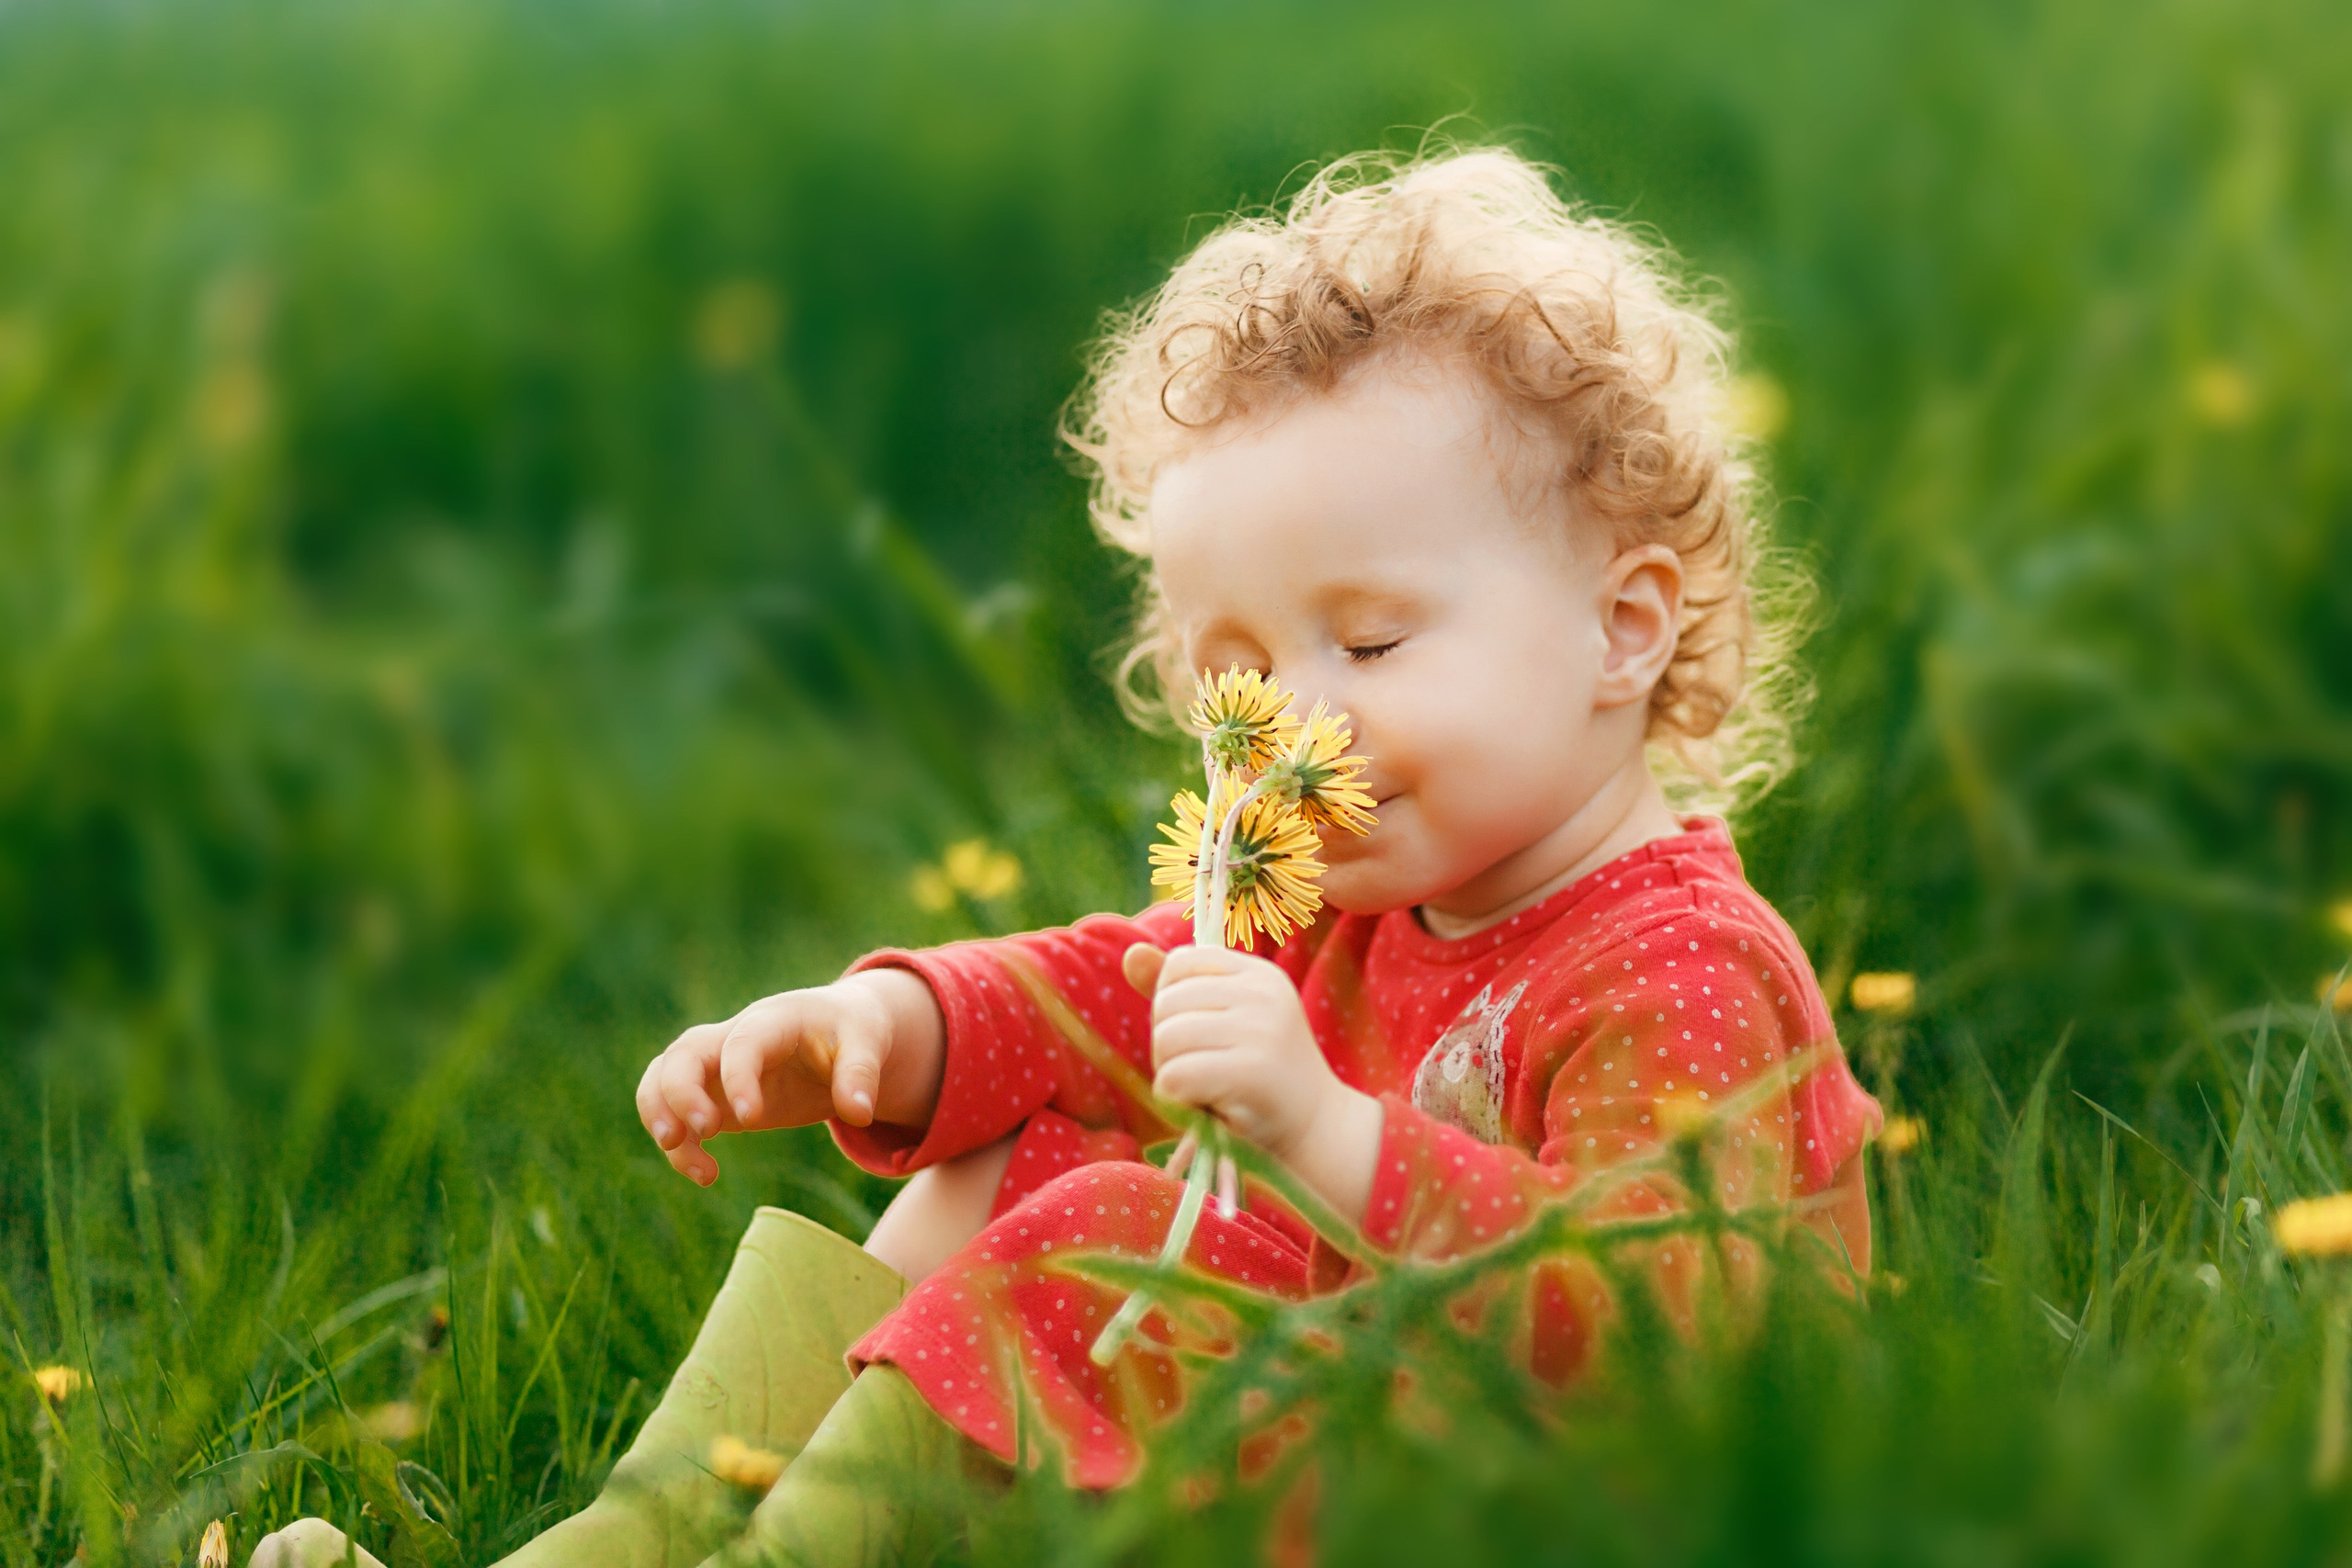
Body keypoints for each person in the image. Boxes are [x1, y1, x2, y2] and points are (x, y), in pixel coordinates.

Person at [254, 143, 1881, 1568]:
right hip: (1352, 1419)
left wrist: (1320, 1130)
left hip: (1542, 1507)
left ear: (1624, 626)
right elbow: (1117, 993)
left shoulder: (1675, 969)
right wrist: (885, 1030)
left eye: (1373, 644)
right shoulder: (1341, 890)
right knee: (1002, 1155)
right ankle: (633, 1539)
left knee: (1111, 1215)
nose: (1287, 733)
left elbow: (1666, 1340)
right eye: (1235, 671)